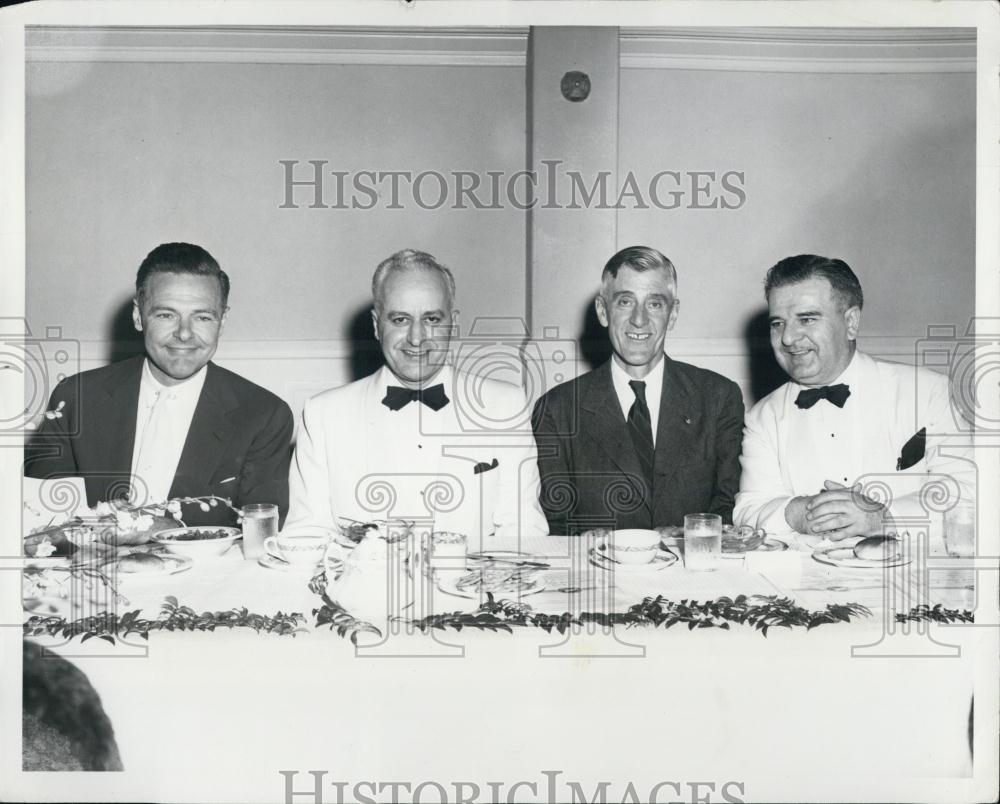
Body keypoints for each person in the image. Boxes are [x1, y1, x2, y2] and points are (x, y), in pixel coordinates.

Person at [285, 249, 548, 541]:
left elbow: (525, 531)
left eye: (432, 319)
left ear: (453, 323)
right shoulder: (323, 415)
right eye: (400, 319)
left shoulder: (504, 405)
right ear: (376, 325)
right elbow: (305, 536)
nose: (416, 337)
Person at [24, 242, 294, 526]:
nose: (184, 334)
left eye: (202, 317)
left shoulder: (264, 415)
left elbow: (260, 534)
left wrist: (163, 532)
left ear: (222, 321)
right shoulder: (76, 398)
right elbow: (39, 521)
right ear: (138, 316)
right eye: (166, 315)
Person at [733, 254, 974, 545]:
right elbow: (749, 508)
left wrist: (884, 517)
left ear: (851, 322)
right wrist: (800, 512)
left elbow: (967, 493)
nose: (787, 338)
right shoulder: (762, 417)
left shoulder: (928, 392)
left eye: (807, 319)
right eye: (777, 323)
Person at [531, 246, 745, 534]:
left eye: (654, 304)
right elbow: (552, 523)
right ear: (603, 311)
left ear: (672, 314)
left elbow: (729, 506)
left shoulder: (718, 398)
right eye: (625, 302)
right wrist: (583, 542)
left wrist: (684, 538)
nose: (639, 320)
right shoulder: (557, 409)